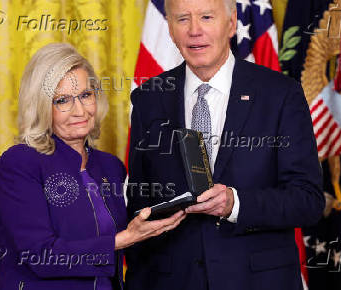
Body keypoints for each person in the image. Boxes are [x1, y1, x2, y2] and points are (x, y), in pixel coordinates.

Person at [125, 1, 325, 290]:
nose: (194, 31)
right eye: (182, 19)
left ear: (231, 23)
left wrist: (236, 203)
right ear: (169, 28)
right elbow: (139, 204)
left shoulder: (281, 94)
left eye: (206, 17)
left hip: (258, 281)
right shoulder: (148, 98)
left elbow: (307, 201)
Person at [0, 43, 185, 290]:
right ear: (41, 106)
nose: (79, 110)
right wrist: (120, 240)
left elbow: (134, 244)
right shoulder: (19, 164)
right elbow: (40, 256)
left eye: (85, 95)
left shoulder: (110, 166)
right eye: (62, 100)